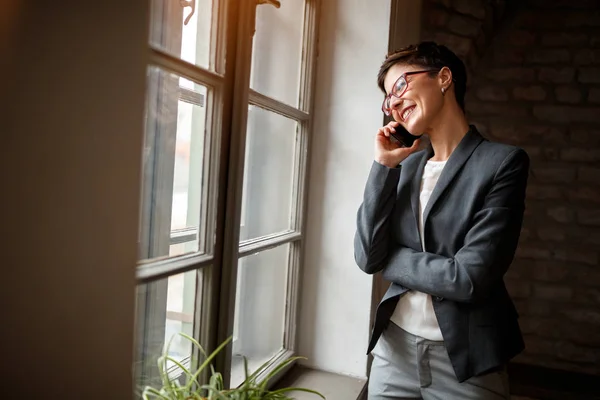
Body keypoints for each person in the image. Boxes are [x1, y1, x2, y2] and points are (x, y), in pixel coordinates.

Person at [354, 41, 529, 400]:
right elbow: (367, 256)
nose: (394, 104)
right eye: (388, 99)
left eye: (400, 86)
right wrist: (382, 166)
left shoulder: (502, 163)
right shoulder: (404, 166)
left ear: (444, 78)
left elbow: (468, 278)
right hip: (394, 349)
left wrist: (393, 259)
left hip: (466, 358)